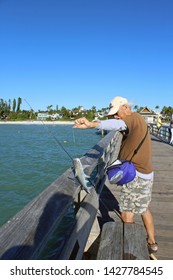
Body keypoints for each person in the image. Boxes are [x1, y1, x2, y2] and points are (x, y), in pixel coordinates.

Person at [73, 96, 158, 254]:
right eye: (113, 114)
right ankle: (152, 242)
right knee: (144, 208)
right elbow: (119, 124)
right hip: (146, 173)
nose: (115, 116)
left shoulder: (130, 119)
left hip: (136, 176)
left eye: (117, 112)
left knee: (126, 214)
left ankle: (131, 249)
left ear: (125, 107)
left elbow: (117, 124)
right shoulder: (139, 118)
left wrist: (92, 124)